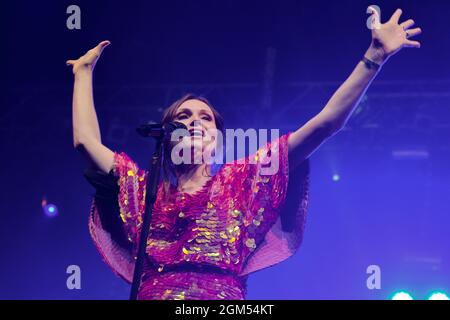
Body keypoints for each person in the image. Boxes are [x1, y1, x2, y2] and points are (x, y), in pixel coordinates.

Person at [67, 7, 421, 300]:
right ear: (168, 136)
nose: (193, 122)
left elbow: (324, 125)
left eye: (204, 117)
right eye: (183, 117)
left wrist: (373, 56)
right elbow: (85, 142)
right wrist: (83, 74)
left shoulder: (244, 180)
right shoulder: (144, 192)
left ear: (217, 139)